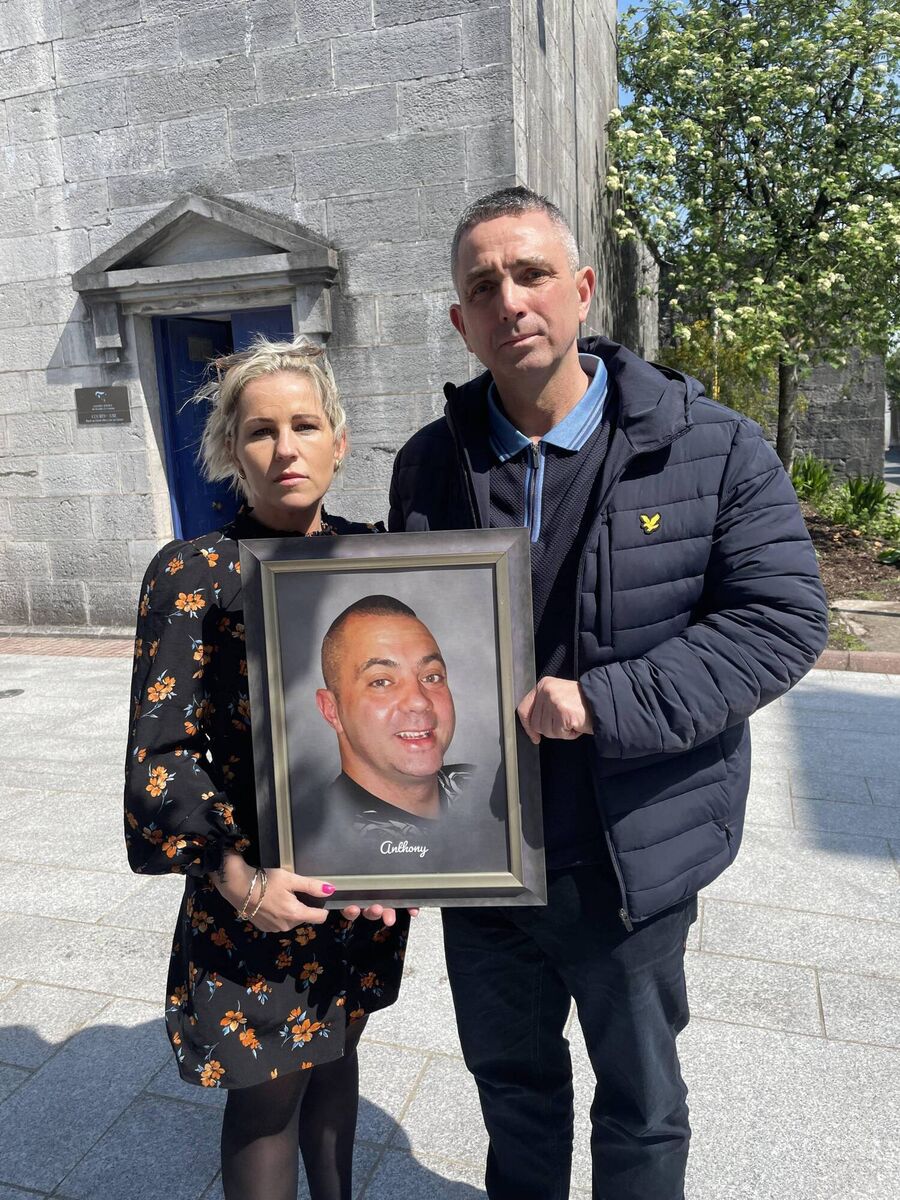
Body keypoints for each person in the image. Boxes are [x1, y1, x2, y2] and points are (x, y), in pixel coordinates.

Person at [388, 186, 829, 1200]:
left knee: (639, 1103)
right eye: (483, 285)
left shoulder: (712, 447)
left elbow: (781, 621)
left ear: (582, 289)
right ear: (461, 320)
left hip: (627, 858)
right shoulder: (429, 464)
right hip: (484, 861)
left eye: (533, 273)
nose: (511, 299)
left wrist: (604, 702)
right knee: (511, 1088)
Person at [123, 337, 410, 1200]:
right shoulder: (193, 574)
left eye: (305, 425)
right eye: (259, 432)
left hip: (360, 885)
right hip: (253, 893)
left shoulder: (384, 560)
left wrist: (430, 843)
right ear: (229, 450)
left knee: (336, 1058)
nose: (286, 449)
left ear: (339, 441)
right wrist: (239, 880)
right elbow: (160, 761)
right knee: (266, 1103)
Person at [313, 594, 475, 873]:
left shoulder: (487, 793)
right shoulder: (317, 840)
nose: (419, 701)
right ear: (332, 711)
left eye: (431, 677)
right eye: (381, 682)